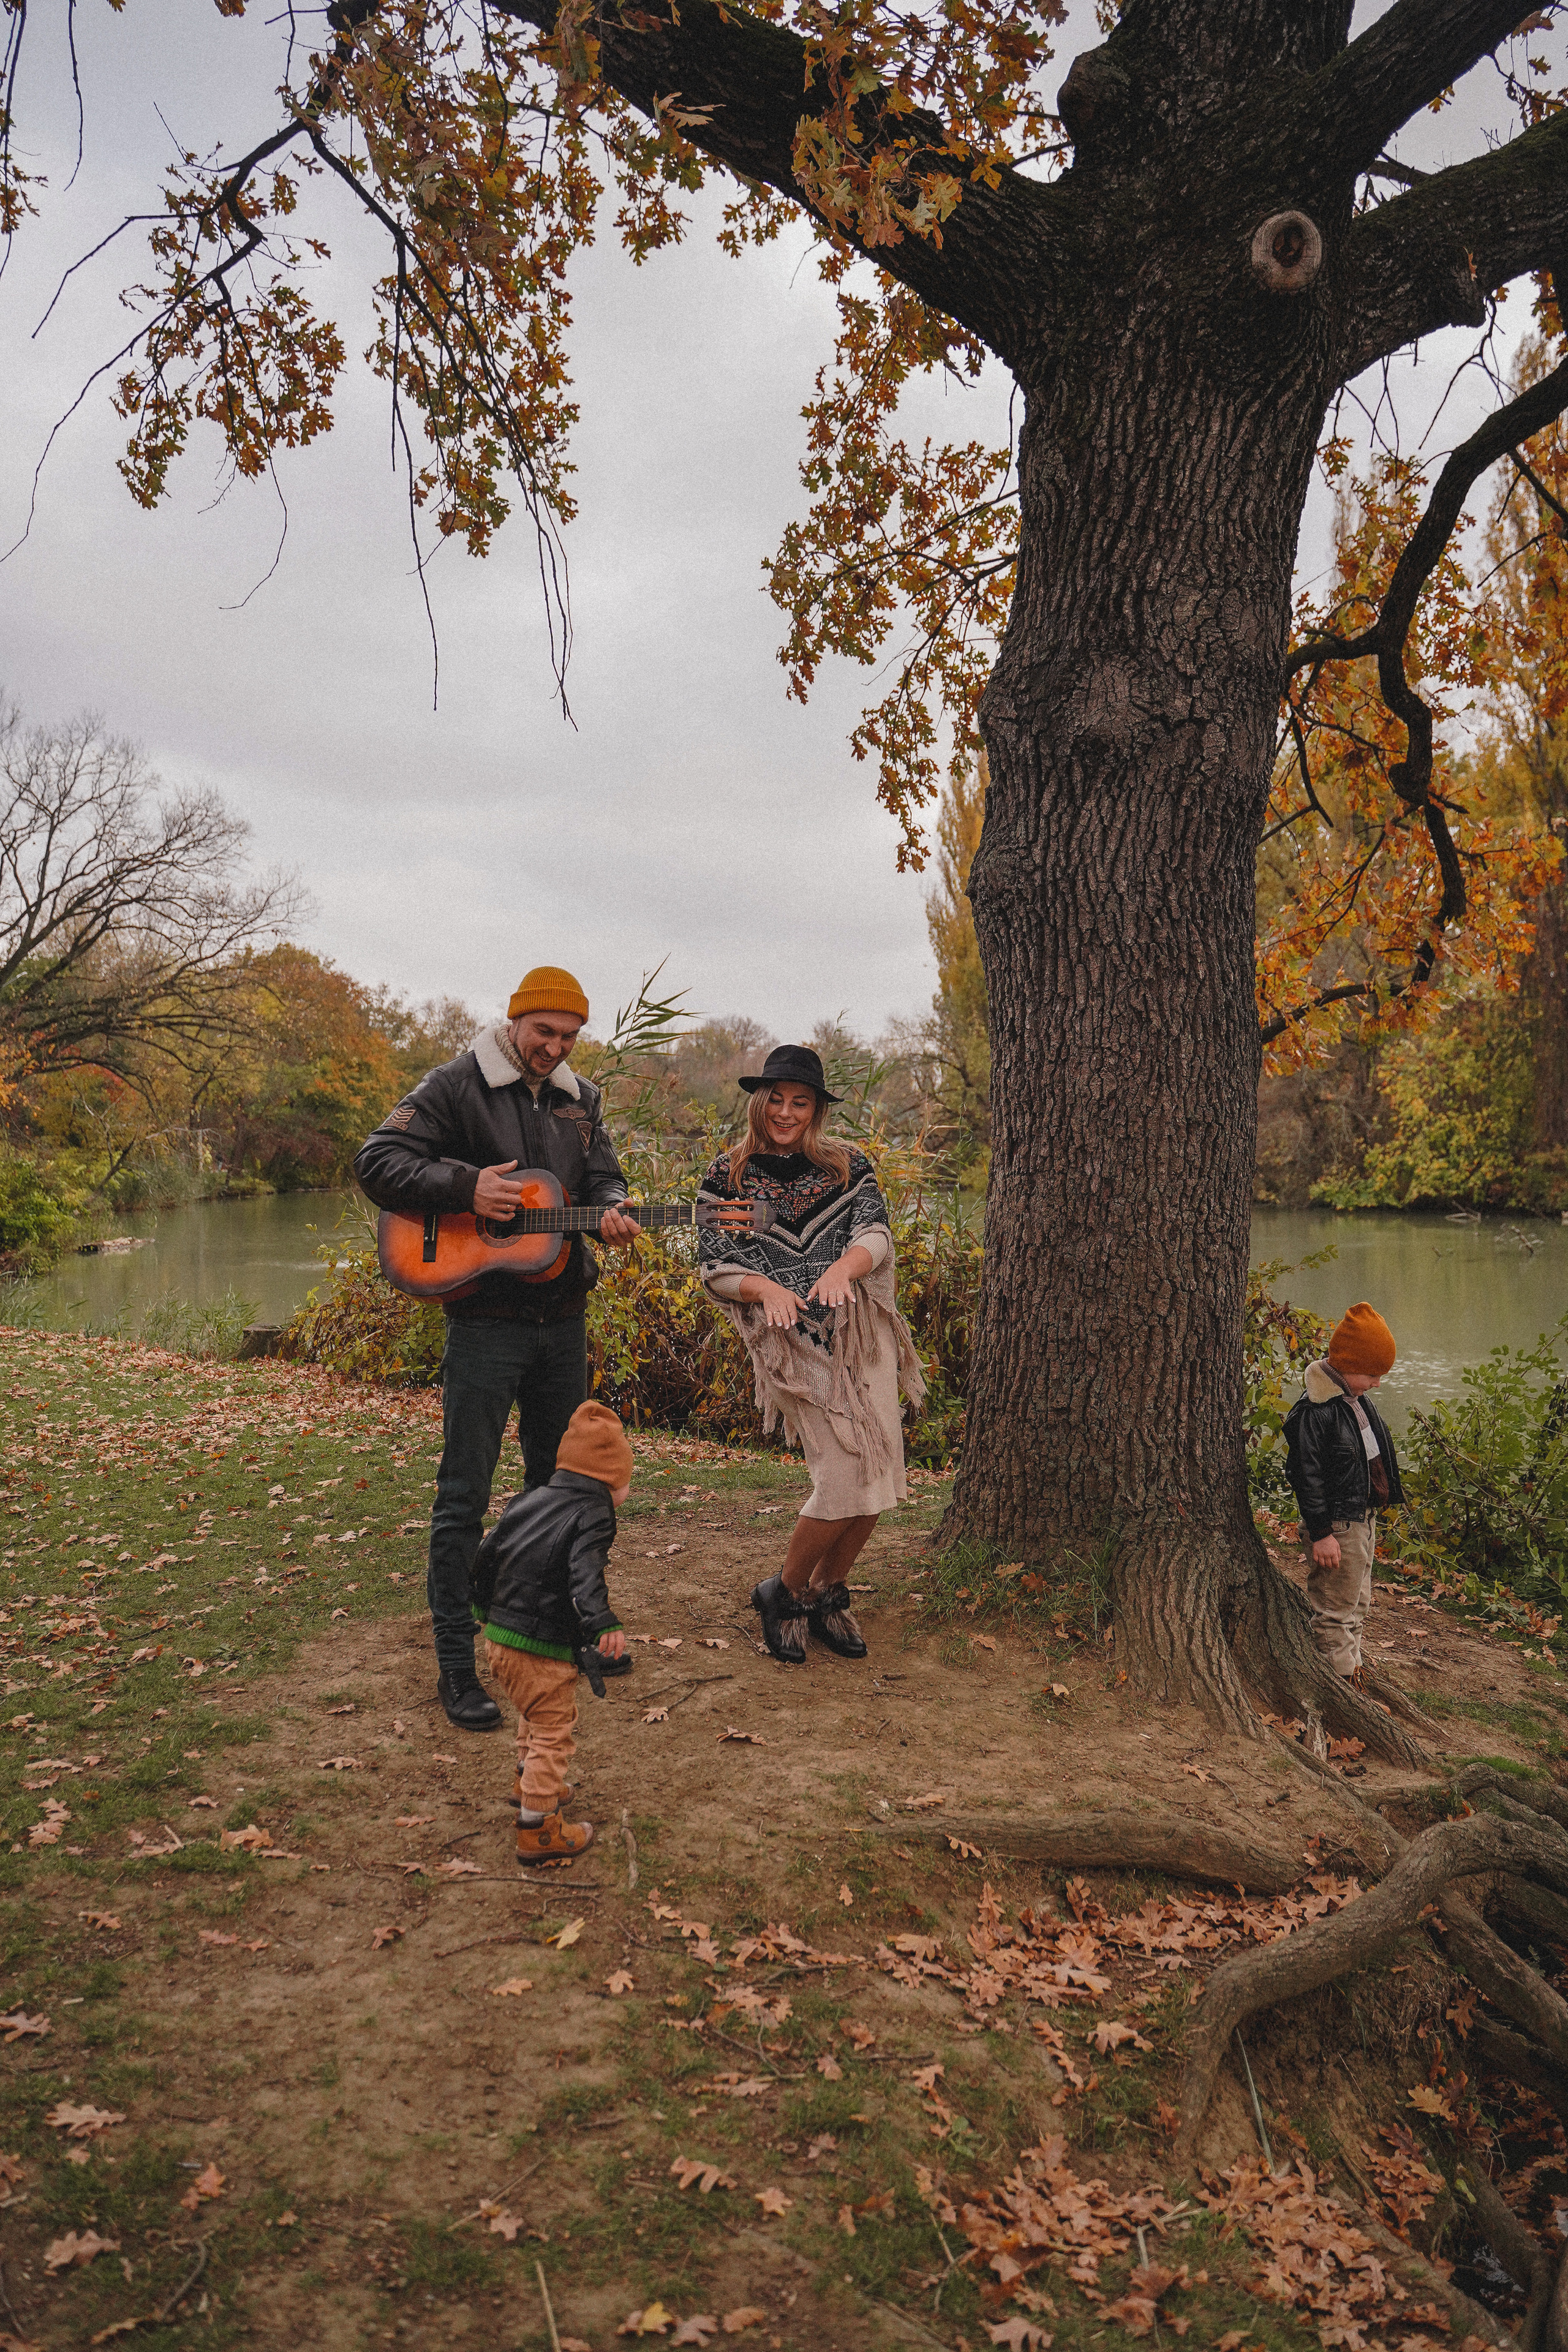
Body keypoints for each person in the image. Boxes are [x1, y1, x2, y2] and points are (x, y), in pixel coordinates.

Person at [354, 967, 641, 1733]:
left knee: (566, 1487)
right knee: (464, 1495)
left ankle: (559, 1631)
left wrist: (612, 1211)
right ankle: (456, 1662)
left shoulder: (582, 1102)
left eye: (569, 1037)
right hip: (484, 1322)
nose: (554, 1048)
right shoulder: (456, 1085)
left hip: (563, 1320)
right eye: (543, 1032)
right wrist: (465, 1187)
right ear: (514, 1023)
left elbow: (605, 1179)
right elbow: (376, 1161)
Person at [696, 1044, 925, 1665]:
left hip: (861, 1333)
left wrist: (845, 1272)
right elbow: (715, 1262)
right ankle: (785, 1593)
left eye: (800, 1102)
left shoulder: (848, 1166)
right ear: (759, 1101)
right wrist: (765, 1286)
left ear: (817, 1109)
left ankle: (827, 1593)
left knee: (881, 1476)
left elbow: (874, 1234)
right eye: (777, 1099)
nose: (786, 1112)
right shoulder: (728, 1176)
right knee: (843, 1473)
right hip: (793, 1345)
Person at [470, 1400, 631, 1865]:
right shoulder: (596, 1512)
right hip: (538, 1645)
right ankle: (538, 1830)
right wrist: (603, 1622)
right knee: (554, 1730)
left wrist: (482, 1607)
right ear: (608, 1476)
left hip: (500, 1635)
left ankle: (531, 1783)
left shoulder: (532, 1498)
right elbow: (585, 1573)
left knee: (533, 1715)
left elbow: (488, 1550)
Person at [1283, 1302, 1406, 1681]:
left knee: (1358, 1602)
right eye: (1372, 1374)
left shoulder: (1354, 1401)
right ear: (1348, 1364)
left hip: (1360, 1520)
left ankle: (1352, 1670)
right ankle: (1337, 1683)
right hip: (1337, 1527)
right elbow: (1306, 1477)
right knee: (1335, 1611)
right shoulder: (1315, 1413)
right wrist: (1321, 1534)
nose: (1377, 1383)